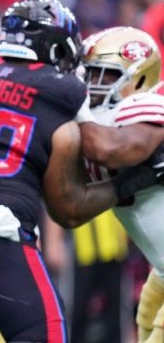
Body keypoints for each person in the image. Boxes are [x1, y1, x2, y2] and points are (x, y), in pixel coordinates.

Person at [0, 0, 161, 342]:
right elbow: (72, 203)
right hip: (0, 233)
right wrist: (130, 181)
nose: (88, 79)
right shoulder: (63, 92)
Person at [76, 26, 164, 343]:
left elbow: (109, 149)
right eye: (87, 73)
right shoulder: (99, 124)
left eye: (104, 75)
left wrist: (76, 109)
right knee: (145, 320)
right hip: (161, 268)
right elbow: (70, 208)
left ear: (139, 79)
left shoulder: (143, 108)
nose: (90, 84)